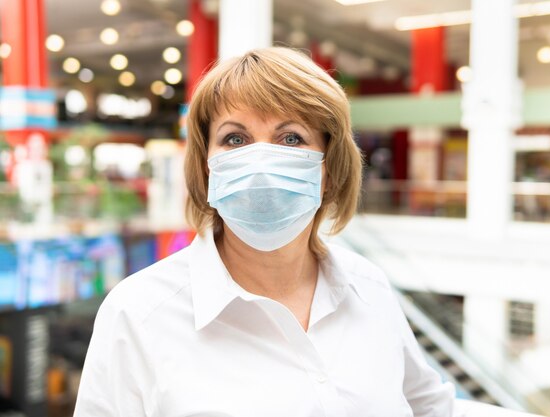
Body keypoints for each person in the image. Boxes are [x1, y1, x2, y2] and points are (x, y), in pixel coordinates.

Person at [73, 47, 455, 417]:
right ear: (207, 167)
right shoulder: (138, 314)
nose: (260, 163)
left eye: (291, 138)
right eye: (235, 139)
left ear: (327, 170)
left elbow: (429, 407)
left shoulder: (368, 289)